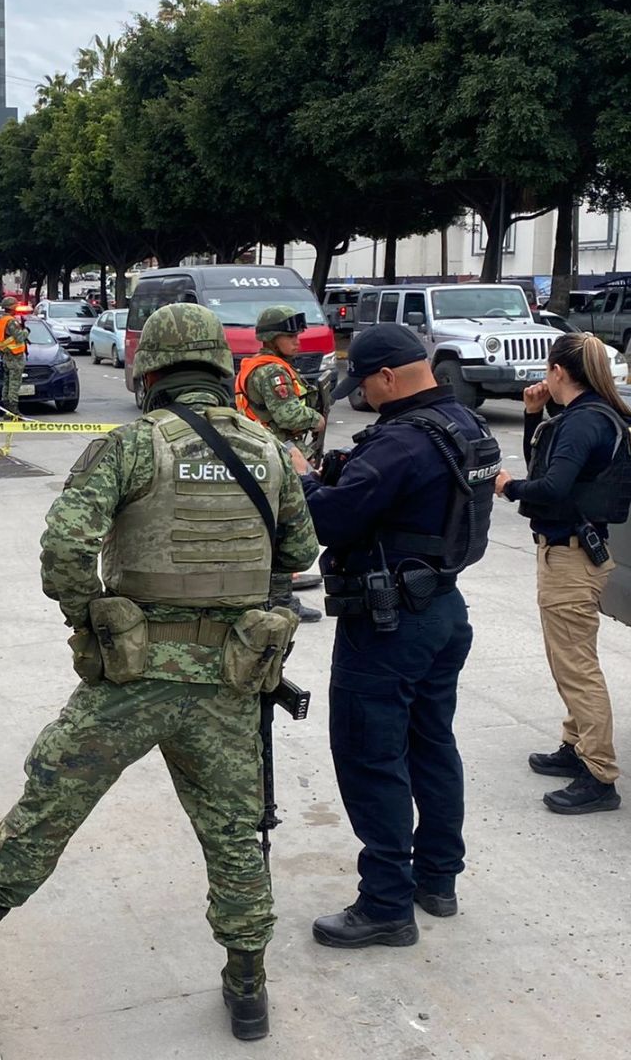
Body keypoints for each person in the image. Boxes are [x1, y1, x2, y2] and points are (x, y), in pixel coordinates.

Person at [0, 304, 318, 1040]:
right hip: (226, 680)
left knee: (51, 802)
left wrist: (94, 619)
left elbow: (65, 548)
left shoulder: (131, 444)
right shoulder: (270, 451)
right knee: (235, 834)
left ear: (150, 371)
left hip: (135, 676)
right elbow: (299, 554)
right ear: (220, 367)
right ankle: (247, 990)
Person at [291, 323, 497, 948]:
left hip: (388, 624)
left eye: (365, 385)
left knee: (371, 755)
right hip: (442, 609)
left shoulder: (403, 443)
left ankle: (385, 903)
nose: (362, 397)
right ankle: (437, 879)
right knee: (431, 744)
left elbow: (326, 519)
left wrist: (303, 476)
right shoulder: (465, 425)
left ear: (387, 376)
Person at [495, 333, 631, 815]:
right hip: (570, 552)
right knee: (567, 659)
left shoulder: (583, 423)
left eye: (546, 372)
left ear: (557, 372)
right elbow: (555, 472)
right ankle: (576, 746)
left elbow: (549, 487)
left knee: (577, 668)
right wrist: (533, 415)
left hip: (571, 557)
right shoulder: (588, 416)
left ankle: (599, 774)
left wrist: (508, 487)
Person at [237, 305, 327, 624]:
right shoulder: (273, 372)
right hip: (280, 454)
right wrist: (316, 420)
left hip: (265, 452)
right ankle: (281, 601)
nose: (297, 341)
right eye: (290, 336)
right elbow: (288, 415)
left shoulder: (261, 365)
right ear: (273, 338)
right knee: (285, 529)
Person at [0, 295, 29, 418]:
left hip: (6, 355)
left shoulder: (0, 320)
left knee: (7, 382)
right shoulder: (11, 321)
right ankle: (13, 410)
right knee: (14, 383)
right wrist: (26, 331)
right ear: (12, 307)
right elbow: (19, 337)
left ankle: (7, 409)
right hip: (14, 356)